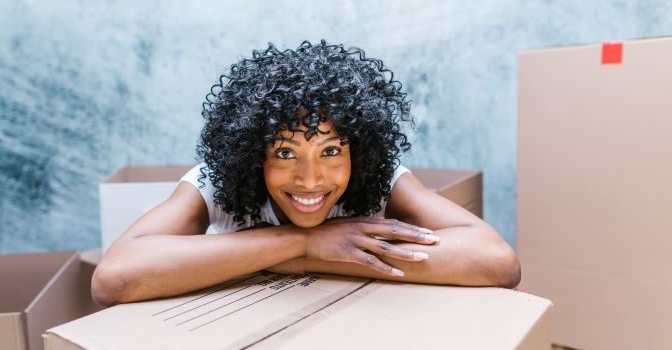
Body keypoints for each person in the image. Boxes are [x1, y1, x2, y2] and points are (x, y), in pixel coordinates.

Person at [92, 40, 520, 306]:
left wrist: (297, 259)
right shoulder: (217, 183)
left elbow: (495, 262)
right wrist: (308, 242)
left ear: (361, 148)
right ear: (252, 156)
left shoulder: (380, 180)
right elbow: (113, 280)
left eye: (331, 150)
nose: (311, 179)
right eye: (284, 152)